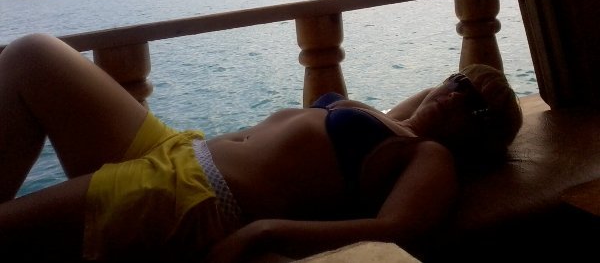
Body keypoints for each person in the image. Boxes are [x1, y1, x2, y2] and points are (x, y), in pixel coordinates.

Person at [0, 33, 522, 262]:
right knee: (32, 55)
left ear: (477, 136)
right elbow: (424, 105)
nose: (456, 95)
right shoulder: (392, 123)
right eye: (459, 81)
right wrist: (438, 96)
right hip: (175, 150)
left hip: (192, 196)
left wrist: (264, 232)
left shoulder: (430, 156)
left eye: (475, 105)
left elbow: (398, 228)